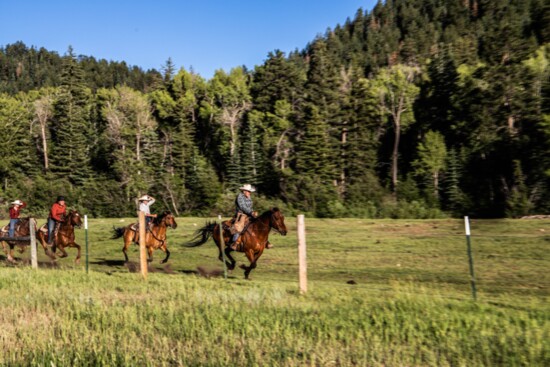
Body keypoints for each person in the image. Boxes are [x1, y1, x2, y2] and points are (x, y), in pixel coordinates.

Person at [228, 184, 271, 250]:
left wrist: (253, 212)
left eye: (250, 191)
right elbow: (243, 207)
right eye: (248, 191)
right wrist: (251, 212)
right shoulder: (240, 196)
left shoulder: (248, 197)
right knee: (239, 226)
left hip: (249, 214)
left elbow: (249, 207)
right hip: (241, 214)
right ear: (244, 191)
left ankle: (265, 241)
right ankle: (234, 242)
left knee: (259, 223)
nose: (249, 193)